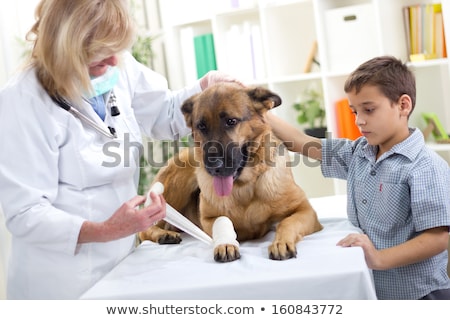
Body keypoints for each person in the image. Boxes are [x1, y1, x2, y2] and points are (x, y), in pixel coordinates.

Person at [0, 0, 240, 299]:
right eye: (101, 55)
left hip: (122, 263)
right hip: (61, 281)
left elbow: (165, 114)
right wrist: (105, 230)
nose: (115, 62)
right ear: (66, 49)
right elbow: (26, 213)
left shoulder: (115, 64)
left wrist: (205, 86)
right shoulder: (22, 101)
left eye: (117, 50)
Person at [267, 56, 450, 300]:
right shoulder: (358, 152)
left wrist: (379, 258)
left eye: (369, 109)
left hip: (419, 296)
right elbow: (301, 143)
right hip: (373, 289)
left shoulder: (425, 166)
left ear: (403, 106)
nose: (359, 120)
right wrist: (255, 107)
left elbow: (438, 238)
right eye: (354, 111)